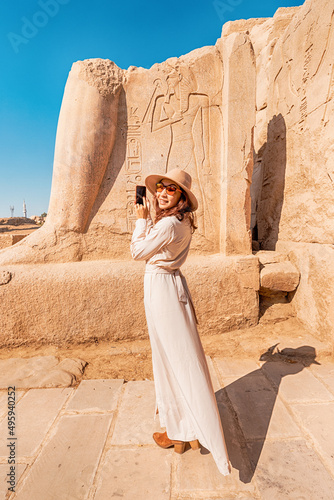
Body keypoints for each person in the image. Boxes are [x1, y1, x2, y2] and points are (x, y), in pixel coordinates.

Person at [130, 167, 231, 476]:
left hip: (162, 288)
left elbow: (137, 251)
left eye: (170, 190)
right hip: (167, 286)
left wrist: (140, 219)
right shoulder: (181, 222)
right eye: (159, 187)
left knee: (172, 360)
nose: (161, 192)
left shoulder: (170, 225)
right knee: (173, 358)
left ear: (182, 197)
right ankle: (180, 428)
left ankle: (184, 430)